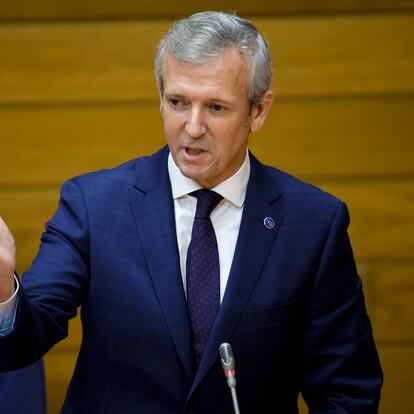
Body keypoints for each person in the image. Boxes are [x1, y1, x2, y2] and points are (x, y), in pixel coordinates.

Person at [0, 11, 382, 413]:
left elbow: (347, 391)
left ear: (259, 111)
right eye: (178, 102)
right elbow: (26, 338)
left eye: (216, 107)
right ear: (160, 98)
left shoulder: (314, 224)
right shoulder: (94, 204)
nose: (193, 127)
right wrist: (4, 294)